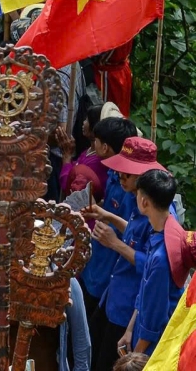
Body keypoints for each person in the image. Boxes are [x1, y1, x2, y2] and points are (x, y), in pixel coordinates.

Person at [84, 137, 169, 370]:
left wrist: (115, 244)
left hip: (128, 308)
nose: (120, 177)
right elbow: (135, 235)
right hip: (114, 297)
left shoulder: (158, 213)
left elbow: (153, 266)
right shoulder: (138, 200)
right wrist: (108, 217)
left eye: (126, 174)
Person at [80, 117, 141, 326]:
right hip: (94, 262)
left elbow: (134, 234)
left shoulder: (134, 193)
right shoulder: (117, 177)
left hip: (107, 274)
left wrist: (112, 234)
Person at [119, 170, 183, 357]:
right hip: (139, 334)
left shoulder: (161, 258)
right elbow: (144, 293)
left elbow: (154, 322)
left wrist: (134, 357)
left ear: (144, 202)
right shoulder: (159, 233)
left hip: (153, 349)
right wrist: (129, 330)